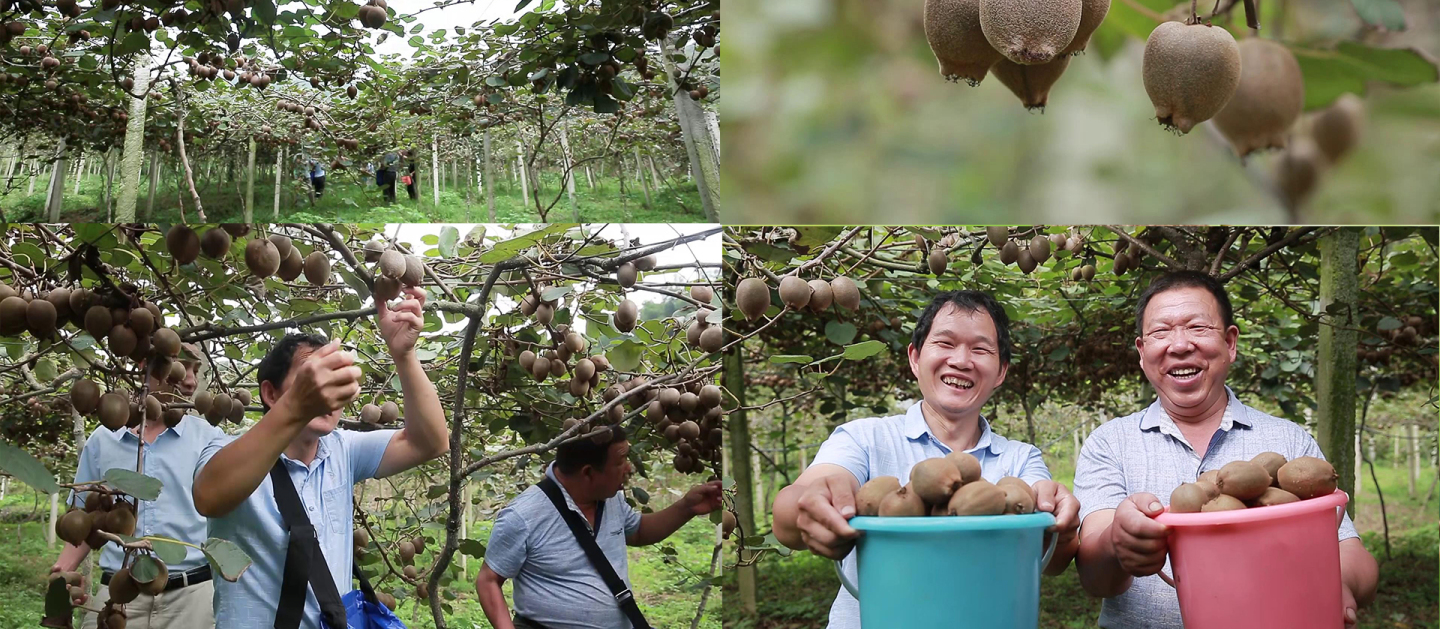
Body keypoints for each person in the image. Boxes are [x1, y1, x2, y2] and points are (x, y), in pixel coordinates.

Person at [1072, 270, 1380, 629]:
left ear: (1231, 343)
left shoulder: (1288, 441)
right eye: (1161, 331)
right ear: (1142, 353)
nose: (1180, 344)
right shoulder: (1109, 443)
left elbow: (1349, 550)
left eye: (1198, 328)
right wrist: (1117, 543)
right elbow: (1095, 579)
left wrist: (1338, 585)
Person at [771, 290, 1082, 629]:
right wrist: (809, 505)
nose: (961, 360)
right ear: (915, 358)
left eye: (980, 349)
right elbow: (792, 511)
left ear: (1001, 371)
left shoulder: (1021, 460)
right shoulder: (863, 439)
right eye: (945, 344)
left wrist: (1062, 529)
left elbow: (1052, 558)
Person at [191, 286, 449, 629]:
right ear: (270, 393)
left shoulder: (343, 449)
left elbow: (430, 441)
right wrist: (297, 406)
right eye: (312, 379)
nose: (327, 394)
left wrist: (404, 354)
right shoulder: (228, 452)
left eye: (335, 382)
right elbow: (208, 496)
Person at [475, 425, 723, 629]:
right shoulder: (523, 515)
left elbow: (637, 531)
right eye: (621, 460)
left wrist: (687, 507)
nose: (629, 468)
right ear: (588, 473)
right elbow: (488, 580)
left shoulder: (610, 497)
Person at [52, 343, 221, 629]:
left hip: (191, 597)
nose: (191, 380)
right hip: (119, 596)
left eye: (196, 370)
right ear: (145, 367)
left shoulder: (209, 438)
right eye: (182, 367)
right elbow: (84, 523)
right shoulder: (103, 440)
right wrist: (62, 572)